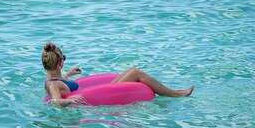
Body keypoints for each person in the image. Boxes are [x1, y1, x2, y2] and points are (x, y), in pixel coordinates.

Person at [42, 42, 193, 106]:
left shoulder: (53, 79)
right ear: (60, 62)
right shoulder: (54, 84)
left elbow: (61, 84)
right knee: (136, 72)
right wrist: (70, 101)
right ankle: (175, 94)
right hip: (91, 96)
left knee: (131, 71)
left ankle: (175, 92)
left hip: (91, 91)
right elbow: (56, 101)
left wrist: (68, 75)